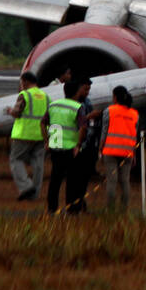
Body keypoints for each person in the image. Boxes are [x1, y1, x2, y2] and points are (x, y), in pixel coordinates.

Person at [46, 80, 87, 214]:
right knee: (72, 179)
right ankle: (72, 208)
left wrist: (46, 140)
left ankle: (52, 208)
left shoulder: (53, 105)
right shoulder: (77, 107)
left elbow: (42, 123)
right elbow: (83, 127)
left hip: (55, 145)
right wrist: (78, 144)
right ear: (77, 92)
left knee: (55, 179)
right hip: (71, 147)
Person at [5, 72, 47, 201]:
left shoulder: (25, 95)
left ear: (25, 82)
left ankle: (26, 187)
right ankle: (35, 194)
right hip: (40, 135)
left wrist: (9, 111)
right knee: (38, 164)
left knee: (15, 159)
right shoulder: (45, 96)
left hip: (24, 134)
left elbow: (17, 113)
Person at [100, 86, 140, 211]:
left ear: (115, 97)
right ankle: (124, 208)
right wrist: (134, 154)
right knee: (125, 181)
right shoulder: (134, 114)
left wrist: (100, 149)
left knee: (112, 181)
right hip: (127, 152)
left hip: (110, 150)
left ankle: (110, 209)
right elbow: (135, 135)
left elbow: (104, 131)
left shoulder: (109, 111)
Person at [66, 79, 102, 213]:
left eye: (88, 90)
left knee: (84, 177)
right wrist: (89, 116)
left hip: (88, 144)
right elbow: (76, 122)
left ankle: (80, 200)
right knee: (74, 177)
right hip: (75, 144)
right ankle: (73, 205)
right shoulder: (73, 104)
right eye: (85, 89)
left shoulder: (87, 102)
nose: (87, 93)